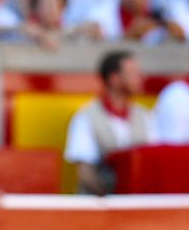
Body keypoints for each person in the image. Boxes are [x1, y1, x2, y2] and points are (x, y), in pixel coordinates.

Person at [63, 47, 153, 194]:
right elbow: (85, 173)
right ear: (114, 78)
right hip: (100, 201)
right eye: (132, 73)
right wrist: (112, 200)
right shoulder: (85, 117)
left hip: (136, 200)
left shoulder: (144, 116)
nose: (139, 78)